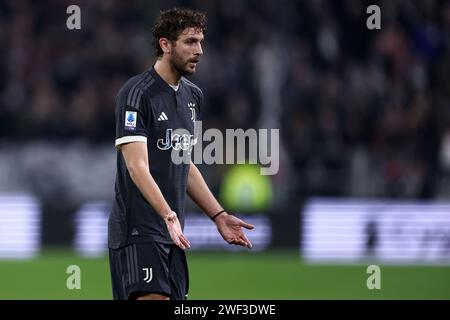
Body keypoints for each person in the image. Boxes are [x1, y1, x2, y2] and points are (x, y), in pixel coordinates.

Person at [108, 7, 254, 300]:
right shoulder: (136, 93)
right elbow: (137, 167)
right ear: (165, 45)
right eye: (190, 42)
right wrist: (167, 215)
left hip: (173, 236)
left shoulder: (193, 96)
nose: (199, 50)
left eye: (201, 42)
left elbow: (183, 164)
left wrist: (218, 215)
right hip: (138, 232)